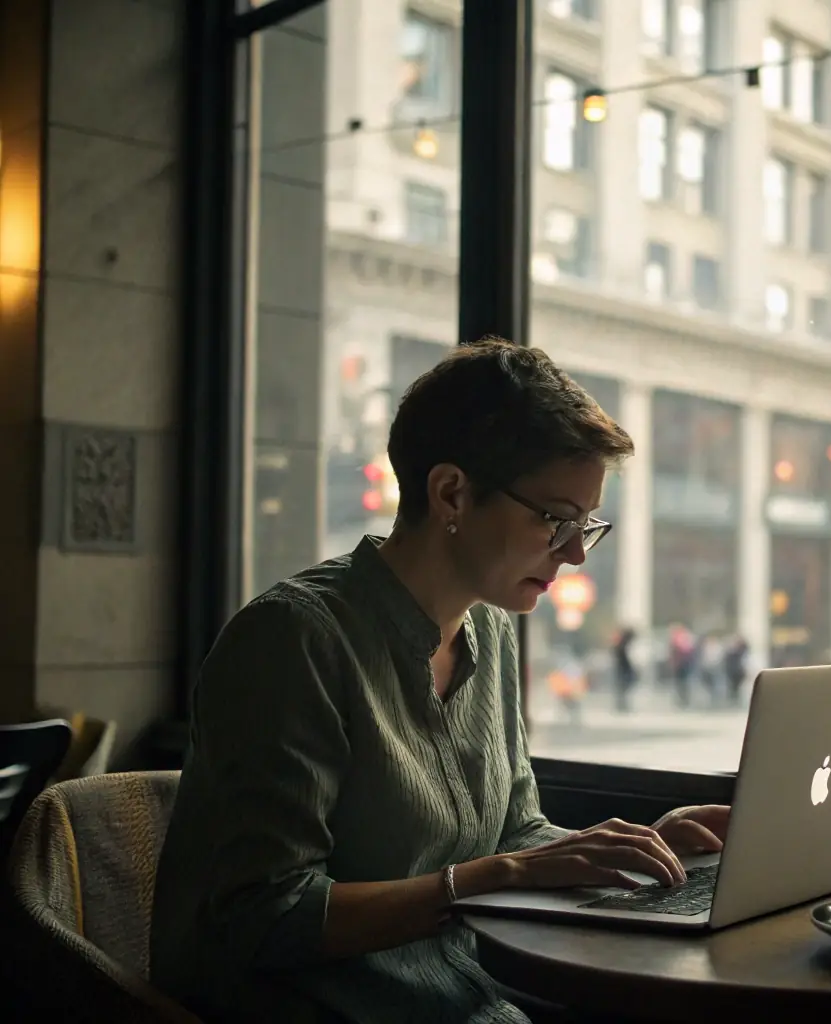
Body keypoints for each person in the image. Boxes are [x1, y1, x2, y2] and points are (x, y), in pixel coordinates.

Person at [150, 338, 730, 1024]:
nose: (575, 553)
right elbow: (264, 917)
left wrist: (637, 853)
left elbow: (514, 834)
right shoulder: (292, 639)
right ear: (451, 492)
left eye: (585, 524)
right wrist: (494, 878)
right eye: (554, 518)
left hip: (471, 1000)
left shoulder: (490, 632)